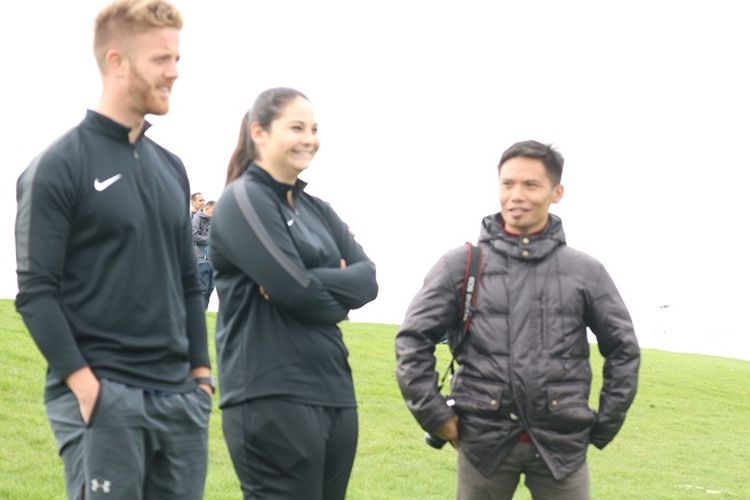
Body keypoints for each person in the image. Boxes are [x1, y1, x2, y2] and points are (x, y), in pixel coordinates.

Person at [14, 1, 213, 499]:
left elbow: (190, 284)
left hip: (179, 402)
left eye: (177, 59)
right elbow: (37, 293)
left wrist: (202, 380)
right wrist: (87, 388)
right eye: (161, 59)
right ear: (117, 62)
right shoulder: (58, 167)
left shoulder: (172, 169)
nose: (174, 72)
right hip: (105, 396)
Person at [395, 140, 640, 500]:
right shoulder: (459, 265)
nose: (516, 195)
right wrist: (436, 417)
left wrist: (602, 426)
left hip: (562, 447)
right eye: (507, 184)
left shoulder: (585, 271)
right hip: (483, 444)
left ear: (557, 192)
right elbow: (412, 341)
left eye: (530, 185)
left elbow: (623, 350)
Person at [209, 87, 379, 500]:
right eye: (297, 127)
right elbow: (294, 291)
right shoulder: (243, 199)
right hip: (270, 392)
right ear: (260, 132)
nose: (309, 138)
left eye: (315, 128)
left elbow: (369, 282)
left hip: (334, 390)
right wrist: (321, 287)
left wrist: (307, 279)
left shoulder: (316, 209)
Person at [193, 200, 215, 309]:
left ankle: (204, 312)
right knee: (203, 288)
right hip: (201, 258)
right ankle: (200, 313)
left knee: (210, 289)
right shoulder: (197, 218)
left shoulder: (214, 221)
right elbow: (195, 236)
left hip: (212, 260)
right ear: (206, 209)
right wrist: (210, 239)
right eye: (213, 212)